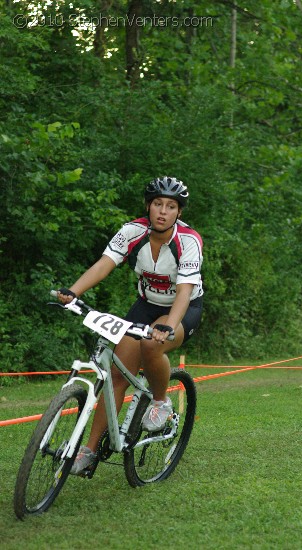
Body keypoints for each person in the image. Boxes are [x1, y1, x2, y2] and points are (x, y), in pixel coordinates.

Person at [58, 177, 203, 474]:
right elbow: (104, 264)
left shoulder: (188, 241)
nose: (163, 211)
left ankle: (161, 403)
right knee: (116, 375)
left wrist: (169, 327)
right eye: (158, 204)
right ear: (148, 207)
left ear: (179, 213)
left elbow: (185, 291)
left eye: (171, 206)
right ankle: (89, 451)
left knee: (152, 343)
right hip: (146, 305)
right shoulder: (132, 231)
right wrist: (73, 292)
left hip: (182, 308)